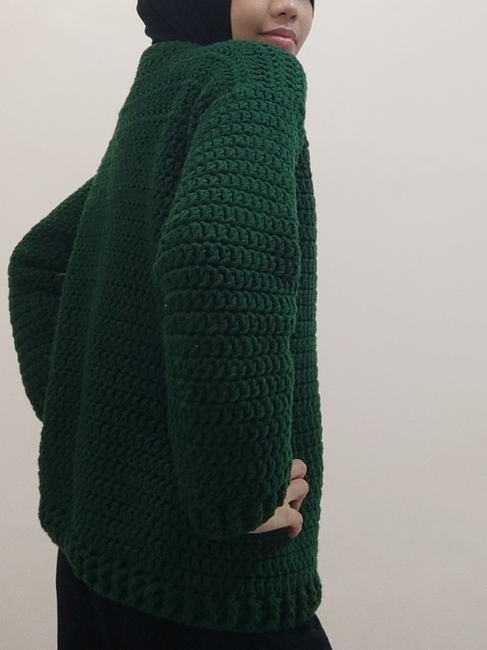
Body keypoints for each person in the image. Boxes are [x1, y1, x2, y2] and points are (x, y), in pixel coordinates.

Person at [8, 0, 332, 648]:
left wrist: (95, 431)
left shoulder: (162, 90)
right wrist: (240, 493)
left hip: (97, 558)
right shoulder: (253, 77)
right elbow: (219, 255)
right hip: (207, 579)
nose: (290, 7)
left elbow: (40, 262)